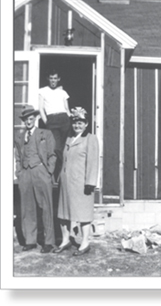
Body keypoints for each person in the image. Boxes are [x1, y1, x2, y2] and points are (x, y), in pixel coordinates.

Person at [53, 107, 99, 256]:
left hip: (81, 184)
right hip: (66, 183)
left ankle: (85, 242)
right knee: (64, 213)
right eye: (75, 123)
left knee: (83, 214)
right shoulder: (68, 138)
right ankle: (65, 240)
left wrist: (90, 183)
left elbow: (93, 163)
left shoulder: (90, 138)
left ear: (86, 124)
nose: (77, 125)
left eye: (80, 123)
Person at [14, 105, 57, 253]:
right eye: (26, 119)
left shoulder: (45, 133)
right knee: (27, 208)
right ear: (24, 121)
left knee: (46, 207)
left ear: (35, 118)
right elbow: (18, 157)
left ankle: (49, 241)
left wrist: (48, 172)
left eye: (31, 118)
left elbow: (52, 155)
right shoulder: (19, 136)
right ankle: (30, 240)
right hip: (25, 174)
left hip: (40, 171)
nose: (28, 121)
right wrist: (19, 172)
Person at [39, 69, 71, 181]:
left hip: (64, 119)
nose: (53, 81)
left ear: (58, 79)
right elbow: (41, 108)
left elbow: (67, 108)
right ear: (48, 79)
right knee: (56, 148)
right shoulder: (43, 91)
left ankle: (63, 174)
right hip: (52, 120)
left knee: (64, 147)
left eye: (55, 78)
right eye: (51, 78)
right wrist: (47, 122)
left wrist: (72, 116)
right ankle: (57, 173)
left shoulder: (63, 92)